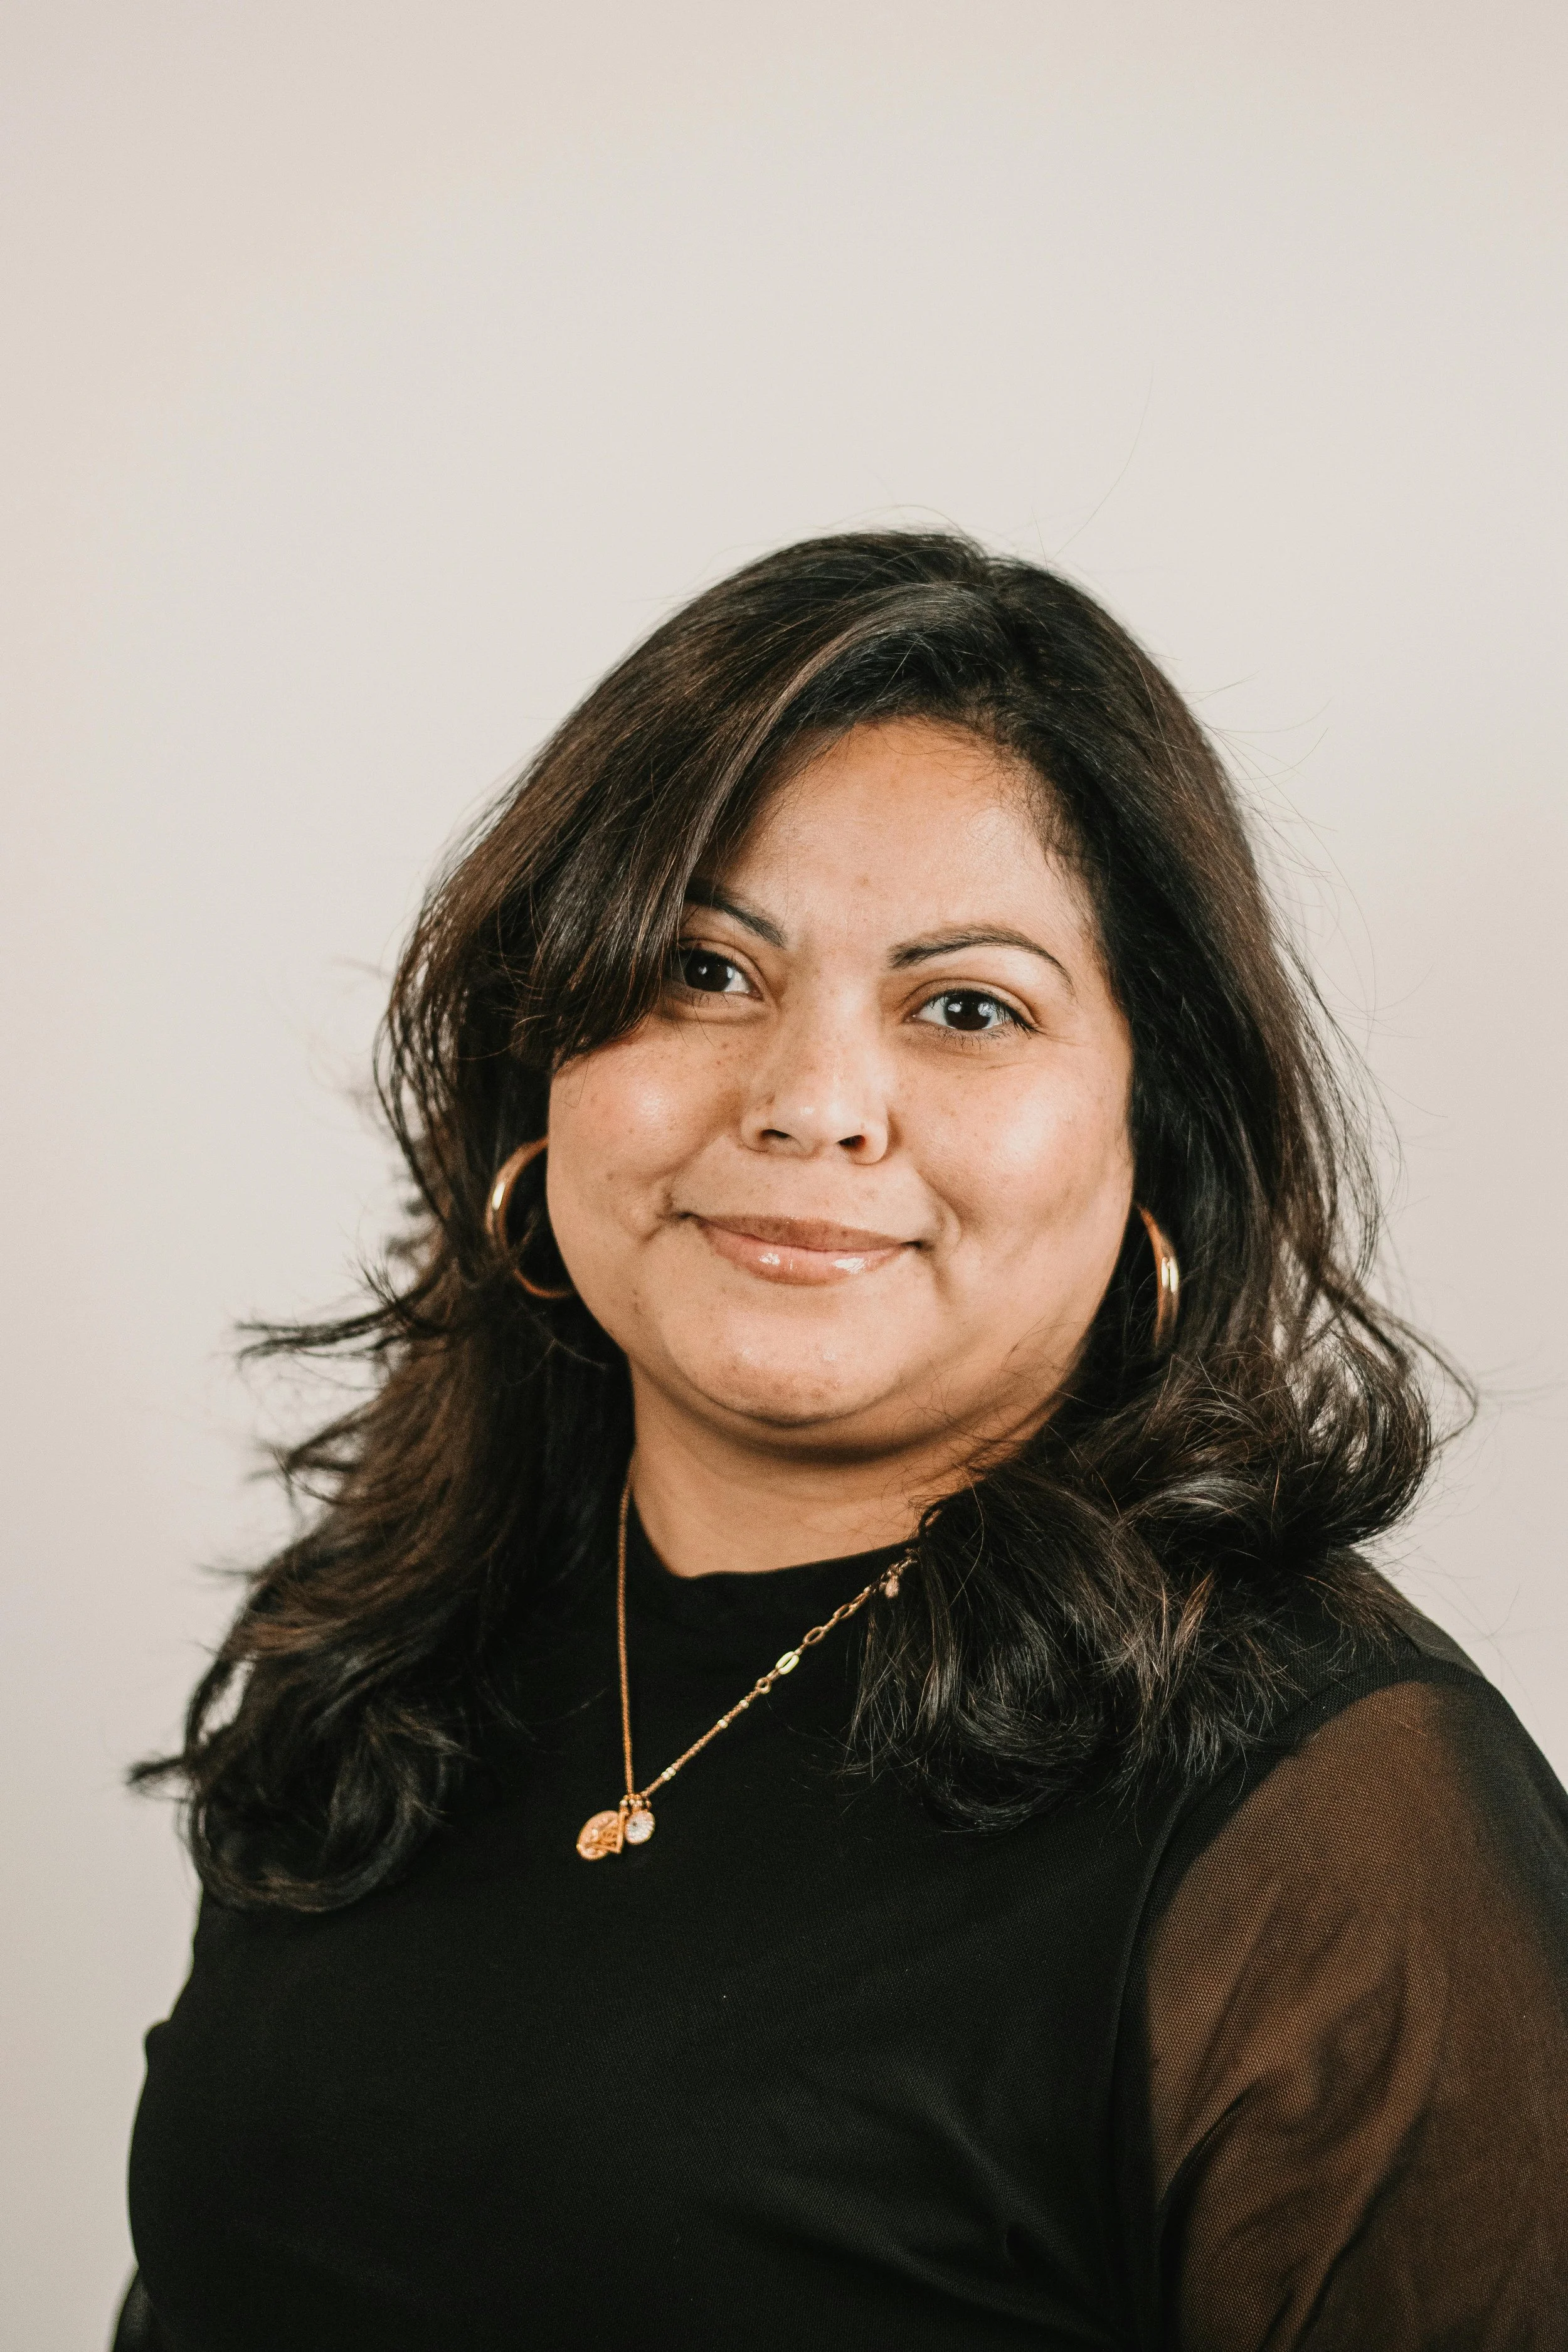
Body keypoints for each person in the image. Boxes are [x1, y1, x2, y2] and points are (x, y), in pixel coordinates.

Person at [117, 532, 1568, 2352]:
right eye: (700, 969)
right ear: (537, 1067)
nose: (808, 1100)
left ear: (1153, 1135)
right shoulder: (397, 1647)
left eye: (965, 1007)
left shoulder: (1327, 1818)